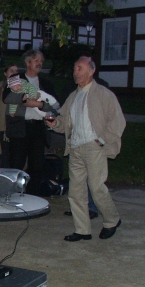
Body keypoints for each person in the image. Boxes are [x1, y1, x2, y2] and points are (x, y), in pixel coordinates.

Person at [47, 57, 126, 242]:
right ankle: (82, 230)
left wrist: (101, 140)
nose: (76, 72)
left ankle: (112, 220)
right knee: (76, 192)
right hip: (75, 147)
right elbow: (64, 122)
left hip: (94, 147)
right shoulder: (73, 96)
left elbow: (117, 121)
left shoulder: (104, 94)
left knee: (97, 188)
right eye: (75, 68)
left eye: (80, 68)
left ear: (91, 71)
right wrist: (55, 123)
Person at [3, 49, 58, 194]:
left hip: (38, 128)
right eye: (36, 60)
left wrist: (38, 104)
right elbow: (6, 98)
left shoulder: (46, 83)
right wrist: (23, 99)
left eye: (41, 61)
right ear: (28, 63)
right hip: (20, 127)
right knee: (16, 164)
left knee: (37, 166)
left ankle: (33, 195)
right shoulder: (16, 78)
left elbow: (55, 106)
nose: (40, 63)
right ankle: (12, 195)